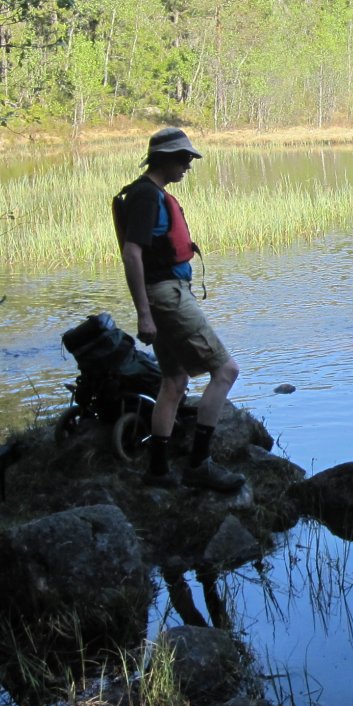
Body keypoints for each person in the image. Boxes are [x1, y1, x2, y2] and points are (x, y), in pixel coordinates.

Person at [112, 128, 247, 494]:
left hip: (166, 293)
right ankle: (199, 465)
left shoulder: (150, 194)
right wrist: (144, 312)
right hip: (167, 296)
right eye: (183, 158)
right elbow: (132, 253)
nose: (188, 165)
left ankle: (158, 470)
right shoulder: (145, 196)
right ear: (164, 159)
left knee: (174, 382)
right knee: (226, 370)